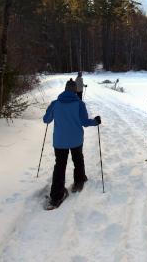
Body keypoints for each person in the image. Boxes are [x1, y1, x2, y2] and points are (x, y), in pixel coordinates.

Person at [43, 78, 101, 209]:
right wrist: (96, 121)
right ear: (75, 91)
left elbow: (46, 120)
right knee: (78, 159)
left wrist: (49, 110)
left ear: (64, 89)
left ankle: (56, 196)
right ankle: (79, 180)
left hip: (60, 141)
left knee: (60, 165)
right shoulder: (80, 104)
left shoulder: (55, 103)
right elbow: (85, 122)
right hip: (76, 139)